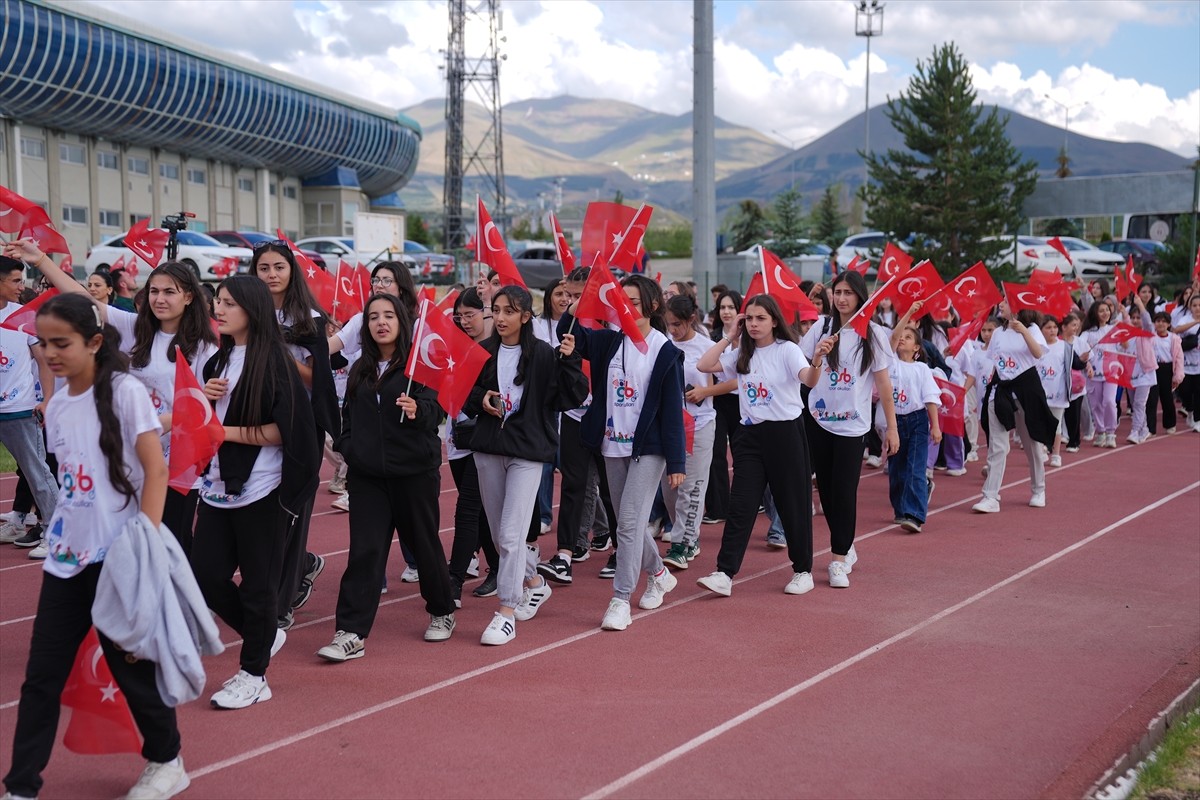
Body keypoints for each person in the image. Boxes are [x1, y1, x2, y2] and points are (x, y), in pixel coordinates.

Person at [4, 292, 186, 800]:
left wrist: (145, 548)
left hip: (119, 558)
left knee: (132, 671)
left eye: (62, 343)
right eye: (43, 343)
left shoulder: (125, 392)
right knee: (41, 679)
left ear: (96, 341)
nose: (49, 353)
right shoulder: (58, 404)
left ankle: (167, 759)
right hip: (66, 562)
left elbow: (156, 469)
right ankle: (21, 786)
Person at [28, 246, 221, 553]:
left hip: (177, 462)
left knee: (171, 545)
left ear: (188, 297)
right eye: (154, 291)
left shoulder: (204, 346)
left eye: (170, 292)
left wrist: (148, 427)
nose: (159, 299)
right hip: (129, 458)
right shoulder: (135, 328)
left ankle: (183, 599)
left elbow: (198, 409)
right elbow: (85, 300)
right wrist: (40, 261)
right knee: (131, 543)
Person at [190, 276, 318, 709]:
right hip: (218, 486)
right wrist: (204, 401)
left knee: (260, 585)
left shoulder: (276, 363)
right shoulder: (216, 363)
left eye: (229, 303)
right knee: (206, 574)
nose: (219, 310)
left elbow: (285, 432)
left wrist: (221, 429)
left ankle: (253, 673)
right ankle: (264, 635)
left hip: (262, 489)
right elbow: (204, 419)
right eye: (218, 302)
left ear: (253, 308)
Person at [317, 294, 454, 662]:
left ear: (401, 322)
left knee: (424, 545)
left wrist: (418, 409)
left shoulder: (419, 364)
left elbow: (437, 412)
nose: (380, 322)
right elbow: (346, 418)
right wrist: (349, 447)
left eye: (388, 315)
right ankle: (351, 632)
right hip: (368, 479)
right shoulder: (359, 369)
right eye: (373, 317)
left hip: (414, 474)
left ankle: (442, 609)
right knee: (365, 552)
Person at [466, 285, 587, 645]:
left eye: (508, 311)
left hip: (528, 452)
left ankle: (506, 610)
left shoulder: (545, 354)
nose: (500, 318)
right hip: (488, 449)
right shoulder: (482, 352)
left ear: (525, 316)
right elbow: (463, 393)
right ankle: (534, 582)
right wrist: (481, 398)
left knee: (510, 535)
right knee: (501, 536)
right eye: (496, 311)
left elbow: (571, 396)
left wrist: (571, 360)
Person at [562, 275, 685, 629]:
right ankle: (659, 573)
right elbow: (568, 335)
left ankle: (620, 599)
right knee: (627, 522)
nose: (626, 308)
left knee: (629, 524)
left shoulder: (665, 351)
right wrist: (575, 305)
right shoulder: (609, 342)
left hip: (649, 448)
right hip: (611, 444)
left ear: (653, 306)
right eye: (622, 301)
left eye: (633, 301)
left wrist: (676, 461)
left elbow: (672, 412)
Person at [695, 294, 820, 596]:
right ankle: (725, 573)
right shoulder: (742, 353)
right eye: (749, 318)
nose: (753, 323)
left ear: (775, 320)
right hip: (749, 437)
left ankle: (803, 570)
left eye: (760, 318)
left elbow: (810, 380)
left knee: (793, 504)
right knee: (741, 505)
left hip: (785, 435)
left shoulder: (787, 350)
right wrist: (729, 336)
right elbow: (704, 364)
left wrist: (817, 361)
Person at [252, 241, 338, 629]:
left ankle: (282, 601)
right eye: (264, 268)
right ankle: (303, 564)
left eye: (278, 267)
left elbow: (318, 381)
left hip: (301, 423)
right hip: (257, 418)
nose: (271, 275)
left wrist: (282, 353)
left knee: (293, 510)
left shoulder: (311, 319)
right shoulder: (247, 313)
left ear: (292, 271)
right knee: (259, 510)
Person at [800, 271, 898, 588]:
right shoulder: (821, 328)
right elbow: (800, 367)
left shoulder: (875, 335)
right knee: (826, 491)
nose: (841, 298)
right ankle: (846, 542)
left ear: (860, 296)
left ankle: (838, 558)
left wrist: (891, 429)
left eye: (848, 292)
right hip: (818, 420)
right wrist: (817, 355)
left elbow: (884, 385)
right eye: (837, 292)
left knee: (844, 492)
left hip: (853, 427)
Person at [0, 254, 59, 557]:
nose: (20, 286)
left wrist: (47, 400)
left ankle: (56, 531)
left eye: (21, 280)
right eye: (14, 280)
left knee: (37, 472)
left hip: (20, 409)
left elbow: (44, 361)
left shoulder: (24, 316)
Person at [971, 302, 1055, 514]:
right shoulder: (998, 332)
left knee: (1032, 444)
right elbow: (994, 360)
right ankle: (990, 496)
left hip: (1027, 388)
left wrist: (1024, 331)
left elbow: (1038, 354)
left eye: (1005, 301)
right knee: (997, 445)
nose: (1000, 305)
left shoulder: (1033, 328)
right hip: (1002, 388)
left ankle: (1039, 490)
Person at [445, 288, 501, 603]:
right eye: (460, 316)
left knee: (466, 508)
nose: (466, 321)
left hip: (484, 437)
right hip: (457, 438)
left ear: (486, 313)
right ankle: (497, 567)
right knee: (478, 513)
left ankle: (453, 581)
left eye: (471, 314)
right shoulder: (455, 347)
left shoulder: (494, 350)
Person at [660, 294, 718, 570]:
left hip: (700, 423)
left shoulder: (706, 346)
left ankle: (683, 543)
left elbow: (734, 379)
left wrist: (705, 391)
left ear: (691, 319)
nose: (673, 330)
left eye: (678, 324)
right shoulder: (661, 345)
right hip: (668, 427)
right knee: (669, 488)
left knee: (691, 486)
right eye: (668, 324)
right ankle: (685, 533)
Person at [883, 322, 941, 532]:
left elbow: (930, 398)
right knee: (896, 469)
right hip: (895, 422)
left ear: (917, 347)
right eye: (901, 336)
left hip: (917, 421)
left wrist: (935, 426)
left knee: (915, 468)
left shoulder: (922, 369)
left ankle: (914, 514)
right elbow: (891, 339)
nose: (902, 339)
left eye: (908, 337)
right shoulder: (890, 364)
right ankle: (900, 509)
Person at [533, 276, 570, 534]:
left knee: (570, 464)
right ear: (548, 298)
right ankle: (544, 514)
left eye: (568, 294)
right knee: (544, 463)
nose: (564, 299)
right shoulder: (537, 325)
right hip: (545, 401)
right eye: (558, 294)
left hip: (570, 402)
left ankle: (577, 518)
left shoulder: (579, 324)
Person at [703, 289, 743, 525]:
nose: (726, 312)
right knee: (715, 453)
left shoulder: (750, 338)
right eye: (722, 308)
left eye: (731, 307)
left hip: (744, 402)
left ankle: (742, 504)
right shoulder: (714, 337)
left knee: (742, 456)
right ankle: (718, 507)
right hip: (718, 402)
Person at [1078, 299, 1119, 448]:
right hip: (1093, 373)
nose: (1105, 313)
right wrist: (1086, 358)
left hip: (1111, 372)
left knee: (1109, 401)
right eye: (1101, 311)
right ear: (1095, 313)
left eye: (1107, 310)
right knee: (1095, 404)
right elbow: (1079, 347)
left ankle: (1110, 433)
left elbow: (1125, 345)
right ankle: (1100, 432)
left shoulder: (1114, 329)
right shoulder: (1088, 333)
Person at [1036, 316, 1072, 467]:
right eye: (1048, 328)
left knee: (1056, 424)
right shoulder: (1036, 345)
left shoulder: (1065, 346)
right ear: (1041, 330)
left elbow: (1074, 363)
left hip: (1058, 392)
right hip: (1040, 391)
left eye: (1054, 327)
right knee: (1040, 423)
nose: (1052, 330)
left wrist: (1085, 363)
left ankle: (1056, 454)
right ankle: (1042, 450)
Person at [1146, 310, 1183, 435]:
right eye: (1158, 321)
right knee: (1151, 399)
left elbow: (1179, 358)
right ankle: (1151, 428)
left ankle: (1170, 424)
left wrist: (1178, 376)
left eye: (1163, 321)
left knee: (1167, 398)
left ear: (1168, 324)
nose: (1160, 324)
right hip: (1153, 369)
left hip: (1167, 369)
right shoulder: (1150, 337)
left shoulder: (1174, 339)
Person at [1174, 293, 1200, 431]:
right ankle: (1189, 410)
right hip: (1186, 363)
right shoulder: (1185, 319)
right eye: (1194, 305)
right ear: (1190, 307)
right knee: (1185, 392)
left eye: (1199, 305)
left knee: (1198, 392)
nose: (1197, 308)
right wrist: (1196, 322)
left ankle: (1198, 420)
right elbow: (1176, 330)